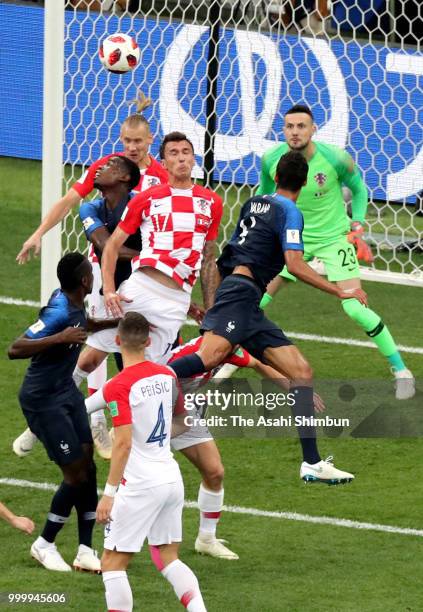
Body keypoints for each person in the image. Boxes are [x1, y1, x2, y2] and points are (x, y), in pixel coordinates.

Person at [169, 151, 366, 483]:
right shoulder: (291, 211)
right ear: (303, 183)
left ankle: (312, 462)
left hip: (245, 299)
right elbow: (295, 264)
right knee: (208, 356)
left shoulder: (253, 202)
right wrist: (339, 290)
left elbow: (229, 254)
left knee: (301, 372)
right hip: (241, 295)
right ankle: (139, 385)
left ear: (276, 178)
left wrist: (215, 299)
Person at [13, 96, 169, 457]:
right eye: (127, 141)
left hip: (143, 275)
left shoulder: (158, 178)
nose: (131, 148)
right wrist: (38, 233)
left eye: (138, 142)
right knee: (94, 348)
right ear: (120, 140)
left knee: (133, 354)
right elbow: (69, 200)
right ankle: (60, 424)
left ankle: (116, 425)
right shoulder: (106, 168)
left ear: (150, 141)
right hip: (103, 272)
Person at [257, 104, 415, 400]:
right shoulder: (271, 159)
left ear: (313, 129)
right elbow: (264, 196)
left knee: (355, 306)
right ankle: (234, 353)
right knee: (258, 297)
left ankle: (401, 370)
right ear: (283, 130)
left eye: (301, 126)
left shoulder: (335, 158)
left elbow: (358, 188)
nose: (295, 132)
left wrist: (357, 223)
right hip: (293, 239)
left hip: (334, 239)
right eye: (289, 126)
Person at [72, 131, 223, 385]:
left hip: (176, 300)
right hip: (140, 290)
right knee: (93, 356)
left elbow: (208, 260)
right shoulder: (146, 199)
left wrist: (211, 311)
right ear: (163, 163)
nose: (181, 159)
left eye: (186, 153)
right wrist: (109, 290)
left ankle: (115, 419)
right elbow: (111, 247)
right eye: (173, 154)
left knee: (148, 379)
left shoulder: (212, 202)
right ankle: (60, 397)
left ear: (194, 159)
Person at [8, 252, 116, 573]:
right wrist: (61, 337)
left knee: (89, 466)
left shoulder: (75, 302)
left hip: (66, 393)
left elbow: (83, 324)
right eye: (89, 272)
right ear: (85, 281)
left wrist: (116, 322)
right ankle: (44, 544)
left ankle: (85, 550)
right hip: (42, 400)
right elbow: (15, 348)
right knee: (75, 474)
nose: (93, 276)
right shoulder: (58, 311)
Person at [94, 312, 207, 612]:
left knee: (113, 564)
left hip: (140, 485)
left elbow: (123, 443)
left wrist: (108, 494)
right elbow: (184, 421)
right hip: (170, 478)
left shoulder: (120, 384)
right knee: (168, 559)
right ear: (148, 342)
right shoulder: (167, 374)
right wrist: (156, 437)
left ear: (117, 341)